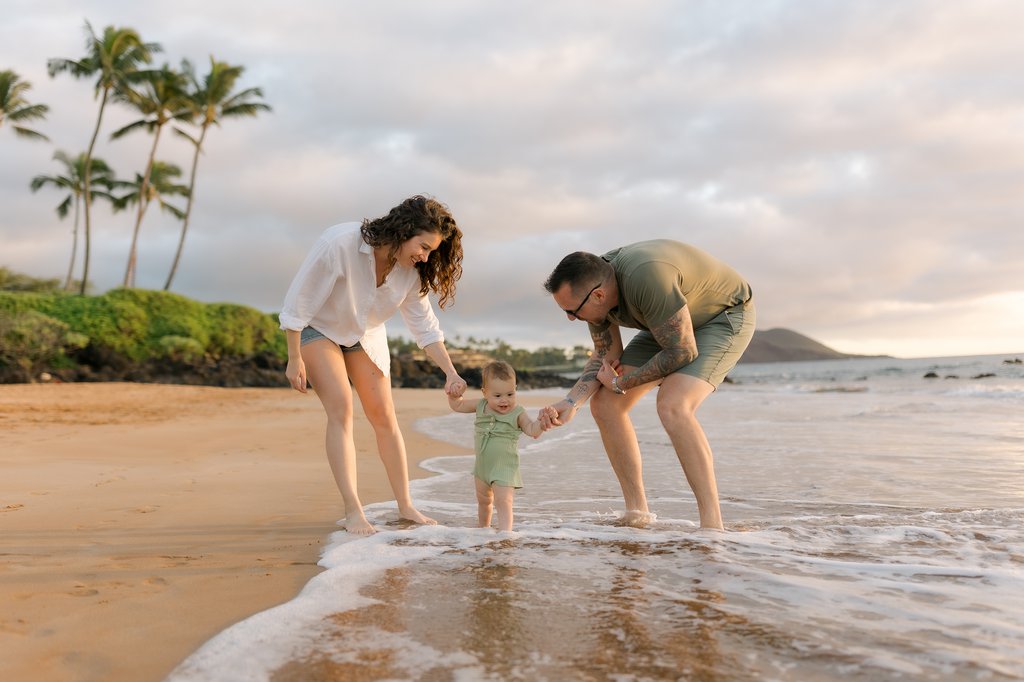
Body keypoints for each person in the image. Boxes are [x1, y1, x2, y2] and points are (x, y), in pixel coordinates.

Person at [280, 195, 469, 535]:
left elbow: (425, 327)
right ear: (403, 231)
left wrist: (451, 372)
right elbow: (298, 301)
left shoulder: (412, 273)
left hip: (364, 334)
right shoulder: (340, 243)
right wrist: (294, 358)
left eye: (430, 251)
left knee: (384, 416)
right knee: (342, 408)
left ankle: (406, 505)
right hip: (317, 328)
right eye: (423, 246)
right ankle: (354, 511)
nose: (425, 257)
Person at [540, 240, 755, 530]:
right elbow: (606, 354)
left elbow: (682, 352)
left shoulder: (646, 277)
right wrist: (570, 403)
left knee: (673, 405)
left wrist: (621, 382)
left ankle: (712, 525)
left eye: (572, 312)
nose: (570, 318)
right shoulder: (594, 288)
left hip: (722, 316)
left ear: (599, 295)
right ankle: (637, 514)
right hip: (666, 322)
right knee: (604, 405)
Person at [448, 361, 554, 531]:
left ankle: (506, 535)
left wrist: (542, 422)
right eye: (497, 396)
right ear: (485, 393)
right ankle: (483, 530)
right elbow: (458, 405)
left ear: (515, 390)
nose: (505, 400)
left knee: (503, 502)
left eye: (510, 394)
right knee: (484, 501)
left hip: (505, 468)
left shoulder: (517, 412)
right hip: (482, 468)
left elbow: (532, 430)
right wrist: (453, 396)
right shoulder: (480, 405)